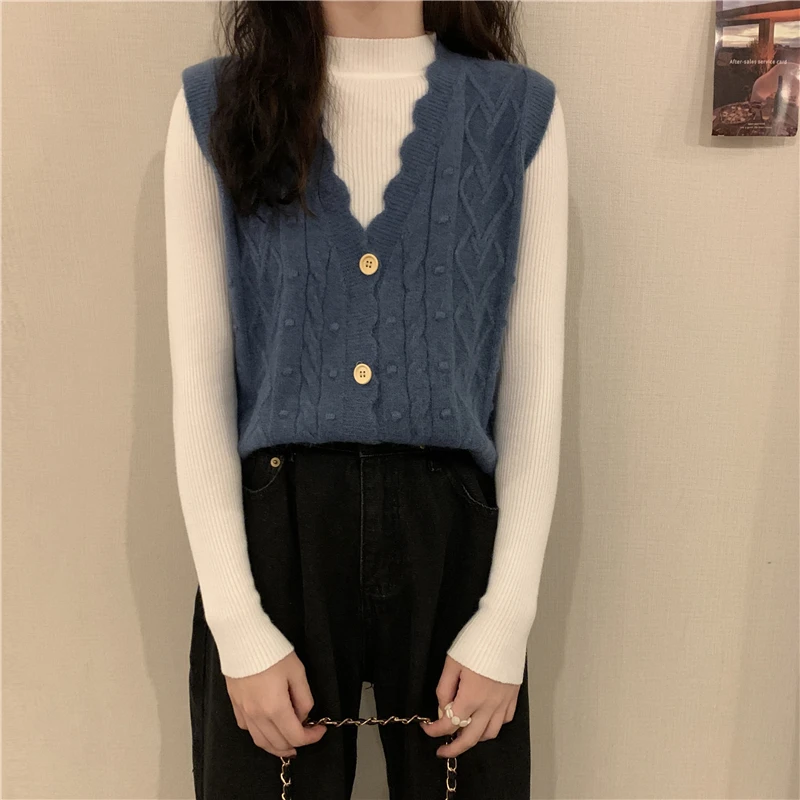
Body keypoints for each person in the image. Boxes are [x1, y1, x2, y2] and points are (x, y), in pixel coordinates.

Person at [163, 1, 568, 797]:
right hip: (276, 543)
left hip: (454, 542)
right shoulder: (216, 105)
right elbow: (199, 388)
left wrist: (508, 616)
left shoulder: (519, 114)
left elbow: (532, 388)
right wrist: (236, 624)